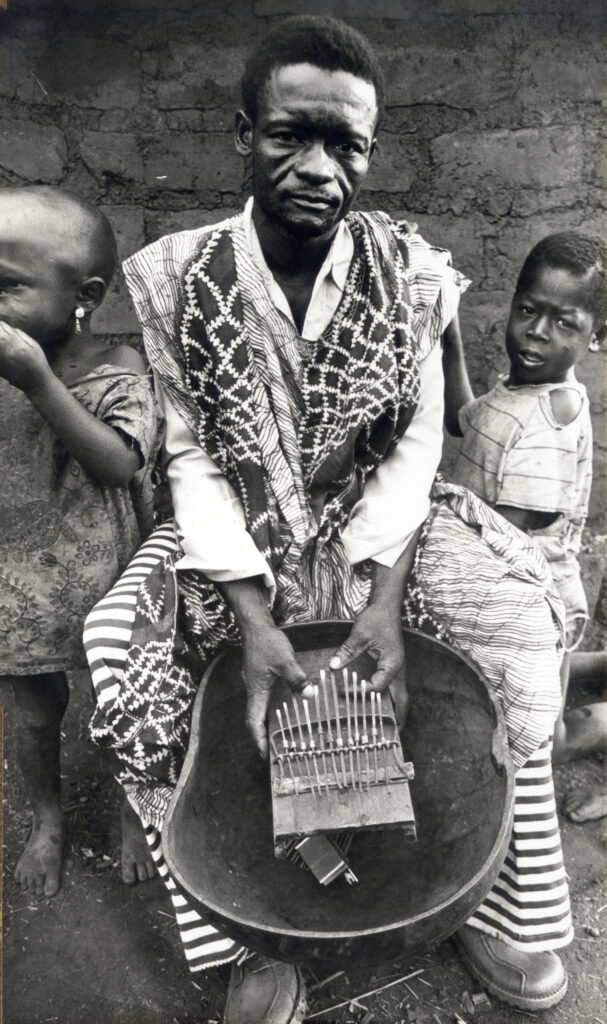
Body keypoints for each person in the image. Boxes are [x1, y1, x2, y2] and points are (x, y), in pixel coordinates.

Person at [83, 17, 576, 1022]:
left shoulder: (410, 272)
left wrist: (387, 595)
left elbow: (413, 449)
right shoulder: (179, 280)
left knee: (519, 625)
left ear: (369, 148)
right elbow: (189, 458)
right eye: (287, 135)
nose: (317, 165)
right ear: (241, 135)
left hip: (375, 524)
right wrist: (253, 612)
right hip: (235, 530)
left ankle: (508, 906)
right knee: (112, 639)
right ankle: (238, 943)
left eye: (343, 143)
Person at [0, 186, 160, 898]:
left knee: (120, 704)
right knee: (34, 713)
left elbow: (118, 462)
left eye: (6, 287)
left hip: (105, 583)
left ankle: (133, 810)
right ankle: (48, 820)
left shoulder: (120, 367)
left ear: (83, 295)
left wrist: (36, 381)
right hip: (16, 586)